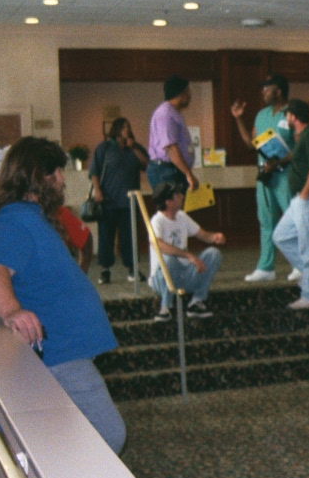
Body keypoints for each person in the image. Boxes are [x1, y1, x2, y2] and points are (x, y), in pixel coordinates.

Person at [0, 138, 127, 454]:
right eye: (56, 174)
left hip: (64, 346)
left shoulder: (20, 216)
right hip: (61, 349)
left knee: (71, 429)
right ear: (38, 177)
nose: (62, 180)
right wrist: (11, 311)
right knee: (109, 433)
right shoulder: (15, 219)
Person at [230, 73, 297, 282]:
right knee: (266, 220)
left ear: (278, 90)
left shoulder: (293, 113)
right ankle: (266, 267)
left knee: (294, 220)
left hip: (286, 175)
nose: (263, 92)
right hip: (265, 175)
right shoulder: (261, 115)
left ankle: (301, 264)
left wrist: (279, 162)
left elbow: (301, 147)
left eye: (267, 88)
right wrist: (238, 118)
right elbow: (251, 144)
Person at [271, 99, 309, 310]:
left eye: (287, 115)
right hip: (302, 198)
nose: (286, 118)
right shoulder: (302, 137)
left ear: (293, 116)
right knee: (281, 236)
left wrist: (305, 193)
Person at [147, 182, 225, 321]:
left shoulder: (182, 216)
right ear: (168, 202)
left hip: (183, 276)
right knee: (169, 259)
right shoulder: (156, 221)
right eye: (177, 195)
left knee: (214, 254)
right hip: (161, 279)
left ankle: (196, 302)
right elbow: (159, 245)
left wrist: (214, 237)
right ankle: (165, 307)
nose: (182, 196)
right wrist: (188, 255)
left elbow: (202, 234)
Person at [88, 116, 148, 284]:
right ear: (116, 130)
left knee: (130, 236)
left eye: (128, 126)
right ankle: (105, 270)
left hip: (130, 201)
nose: (127, 130)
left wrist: (133, 147)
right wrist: (97, 190)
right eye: (124, 127)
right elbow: (94, 171)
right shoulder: (105, 148)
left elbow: (147, 165)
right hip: (108, 200)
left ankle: (132, 269)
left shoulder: (134, 148)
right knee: (106, 236)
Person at [147, 75, 198, 192]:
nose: (189, 95)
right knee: (171, 208)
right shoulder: (165, 114)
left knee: (177, 209)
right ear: (181, 93)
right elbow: (170, 147)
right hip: (165, 171)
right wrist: (188, 174)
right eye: (187, 91)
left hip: (172, 170)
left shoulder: (173, 113)